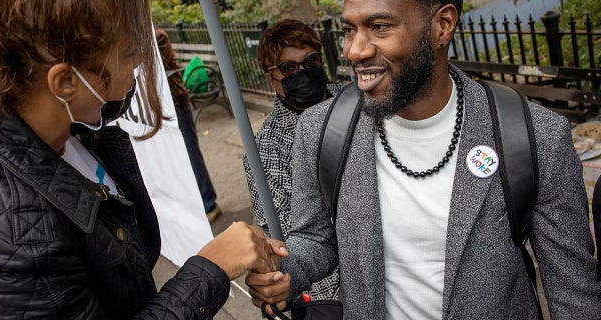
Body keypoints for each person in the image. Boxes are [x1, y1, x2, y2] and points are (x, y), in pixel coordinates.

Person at [247, 0, 601, 319]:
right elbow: (314, 239)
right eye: (349, 30)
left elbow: (573, 289)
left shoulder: (535, 135)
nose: (354, 51)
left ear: (442, 25)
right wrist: (286, 272)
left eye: (380, 26)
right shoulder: (321, 130)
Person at [0, 1, 284, 319]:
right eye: (130, 51)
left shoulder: (69, 128)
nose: (141, 63)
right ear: (66, 83)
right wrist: (211, 270)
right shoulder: (16, 238)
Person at [242, 19, 343, 301]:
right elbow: (290, 235)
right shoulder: (264, 151)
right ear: (270, 77)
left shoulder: (355, 100)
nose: (303, 73)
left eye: (310, 62)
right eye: (288, 68)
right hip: (332, 288)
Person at [155, 28, 222, 223]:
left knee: (191, 155)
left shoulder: (157, 37)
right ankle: (198, 205)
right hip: (158, 109)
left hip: (175, 103)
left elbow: (161, 67)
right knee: (175, 160)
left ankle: (209, 203)